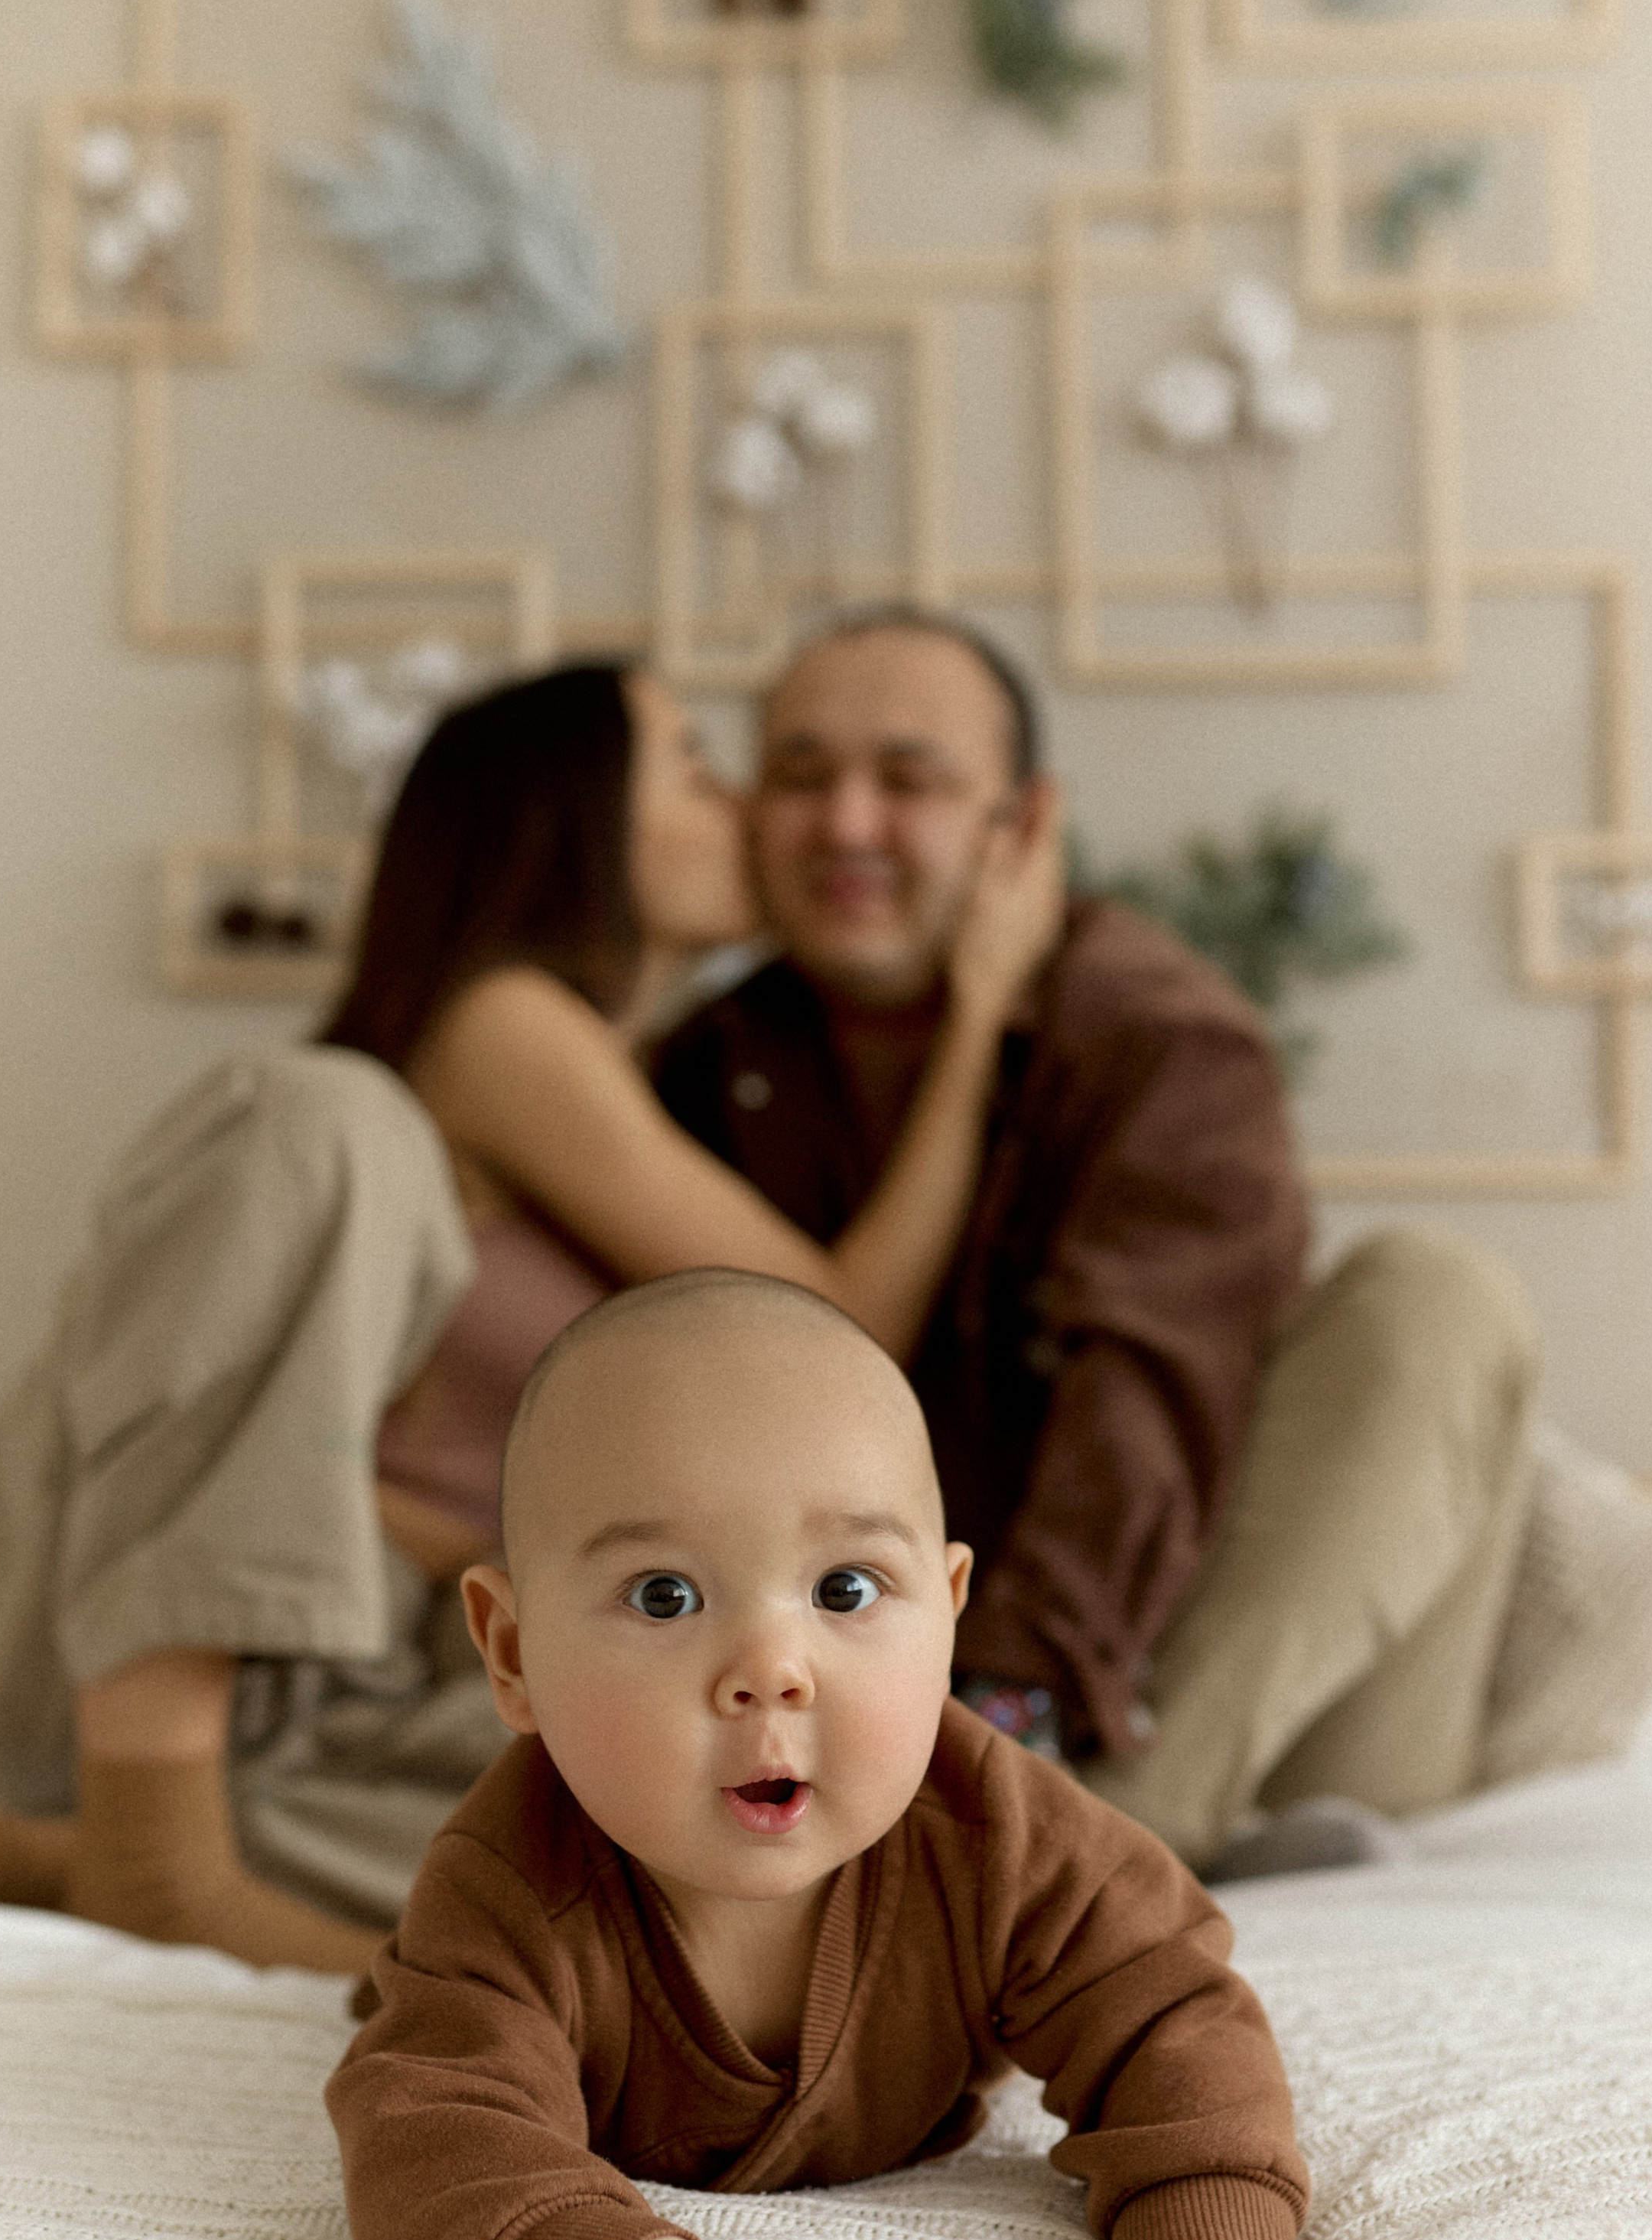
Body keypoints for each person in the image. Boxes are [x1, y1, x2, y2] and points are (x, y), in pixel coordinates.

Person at [0, 665, 1063, 1970]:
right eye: (690, 763)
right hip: (87, 1616)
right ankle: (146, 1854)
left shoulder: (641, 1085)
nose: (733, 802)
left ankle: (19, 1856)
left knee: (652, 1827)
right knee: (322, 1121)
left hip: (326, 1678)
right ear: (572, 815)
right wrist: (980, 1011)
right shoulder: (504, 1021)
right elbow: (825, 1329)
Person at [327, 1270, 1308, 2240]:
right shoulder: (511, 1886)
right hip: (488, 2020)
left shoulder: (996, 1834)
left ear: (946, 1618)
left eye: (847, 1588)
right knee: (413, 2014)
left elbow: (1171, 2009)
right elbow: (429, 2140)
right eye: (663, 1594)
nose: (771, 1667)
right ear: (511, 1652)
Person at [654, 609, 1541, 1867]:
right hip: (888, 1724)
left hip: (1233, 1698)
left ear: (1020, 825)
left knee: (1437, 1297)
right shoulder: (706, 1066)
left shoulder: (1159, 1036)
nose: (847, 823)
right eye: (801, 776)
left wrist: (1005, 1727)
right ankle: (1062, 1846)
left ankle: (1087, 1859)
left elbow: (1148, 1398)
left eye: (908, 780)